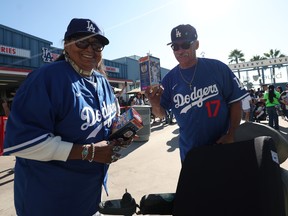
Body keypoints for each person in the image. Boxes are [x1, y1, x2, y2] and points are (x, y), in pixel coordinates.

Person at [3, 18, 133, 216]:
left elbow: (109, 122)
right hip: (49, 201)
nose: (90, 49)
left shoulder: (102, 82)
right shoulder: (45, 78)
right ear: (66, 44)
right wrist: (89, 153)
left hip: (89, 197)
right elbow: (24, 143)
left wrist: (120, 134)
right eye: (82, 41)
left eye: (97, 45)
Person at [145, 24, 248, 162]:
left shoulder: (217, 68)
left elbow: (235, 101)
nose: (180, 50)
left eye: (186, 44)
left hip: (222, 145)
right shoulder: (169, 80)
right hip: (190, 153)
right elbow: (161, 114)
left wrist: (232, 133)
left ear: (197, 44)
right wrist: (155, 104)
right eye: (175, 46)